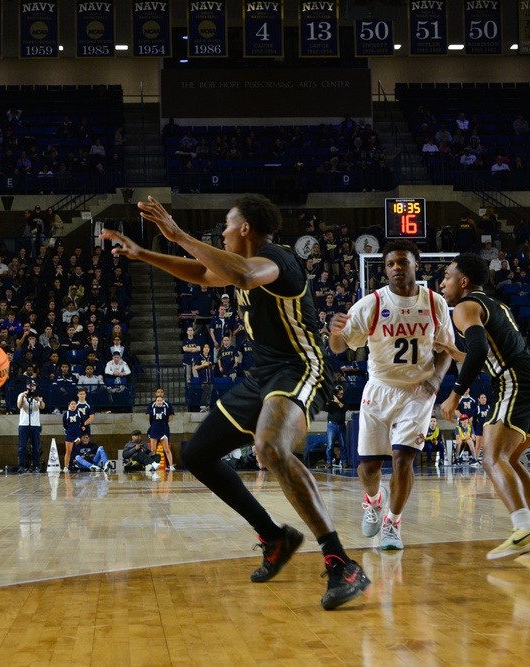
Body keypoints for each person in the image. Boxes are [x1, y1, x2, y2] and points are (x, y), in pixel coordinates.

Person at [101, 194, 369, 610]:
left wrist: (176, 233)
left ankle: (341, 562)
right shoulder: (238, 266)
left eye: (226, 224)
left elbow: (243, 276)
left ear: (244, 228)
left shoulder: (275, 259)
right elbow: (202, 273)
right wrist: (145, 254)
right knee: (200, 454)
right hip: (262, 374)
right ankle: (274, 536)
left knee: (270, 447)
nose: (221, 232)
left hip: (299, 367)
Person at [329, 240, 457, 551]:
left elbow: (448, 351)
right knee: (369, 468)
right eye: (390, 264)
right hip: (380, 388)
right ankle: (373, 500)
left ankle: (393, 523)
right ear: (385, 269)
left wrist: (437, 380)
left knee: (403, 461)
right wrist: (334, 332)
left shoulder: (435, 302)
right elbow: (339, 347)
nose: (396, 268)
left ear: (417, 265)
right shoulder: (370, 304)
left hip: (418, 391)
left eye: (402, 262)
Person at [440, 253, 530, 560]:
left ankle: (523, 528)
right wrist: (455, 353)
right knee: (511, 460)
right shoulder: (497, 305)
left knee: (492, 457)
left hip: (516, 382)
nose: (442, 283)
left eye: (446, 277)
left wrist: (455, 393)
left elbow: (480, 350)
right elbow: (489, 355)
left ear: (463, 281)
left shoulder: (464, 307)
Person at [17, 379, 45, 473]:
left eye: (34, 385)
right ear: (27, 386)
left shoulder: (38, 396)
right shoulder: (22, 395)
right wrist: (23, 397)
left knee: (36, 447)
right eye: (30, 385)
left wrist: (39, 400)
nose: (32, 387)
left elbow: (42, 407)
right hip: (24, 424)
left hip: (35, 424)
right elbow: (19, 406)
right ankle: (22, 466)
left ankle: (36, 465)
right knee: (22, 447)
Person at [146, 391, 175, 470]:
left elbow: (167, 420)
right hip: (154, 429)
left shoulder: (166, 409)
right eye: (157, 400)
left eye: (160, 400)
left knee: (166, 449)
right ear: (155, 402)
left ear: (162, 401)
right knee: (153, 449)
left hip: (163, 430)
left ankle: (171, 465)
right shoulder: (153, 410)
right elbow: (151, 420)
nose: (159, 402)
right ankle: (153, 465)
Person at [323, 385, 348, 469]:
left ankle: (344, 461)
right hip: (332, 425)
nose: (342, 394)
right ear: (336, 393)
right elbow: (326, 408)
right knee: (330, 445)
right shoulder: (331, 402)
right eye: (340, 393)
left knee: (343, 444)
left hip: (341, 425)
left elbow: (344, 408)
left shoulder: (343, 401)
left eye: (342, 393)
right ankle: (329, 461)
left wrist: (338, 401)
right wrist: (328, 401)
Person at [61, 399, 85, 471]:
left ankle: (78, 466)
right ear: (69, 405)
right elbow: (64, 424)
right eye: (72, 404)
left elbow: (83, 424)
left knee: (77, 450)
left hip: (78, 434)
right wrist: (68, 431)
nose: (73, 405)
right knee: (68, 451)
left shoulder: (79, 413)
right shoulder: (66, 414)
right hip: (70, 434)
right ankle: (66, 467)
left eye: (75, 404)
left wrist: (80, 434)